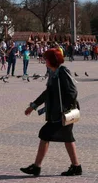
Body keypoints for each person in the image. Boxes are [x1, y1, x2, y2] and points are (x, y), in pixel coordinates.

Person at [21, 48, 82, 177]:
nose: (44, 61)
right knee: (66, 137)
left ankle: (37, 167)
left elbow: (72, 92)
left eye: (46, 59)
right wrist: (33, 106)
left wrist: (65, 108)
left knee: (46, 134)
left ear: (51, 60)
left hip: (62, 114)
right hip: (57, 114)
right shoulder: (53, 73)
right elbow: (47, 93)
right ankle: (76, 166)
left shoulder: (62, 73)